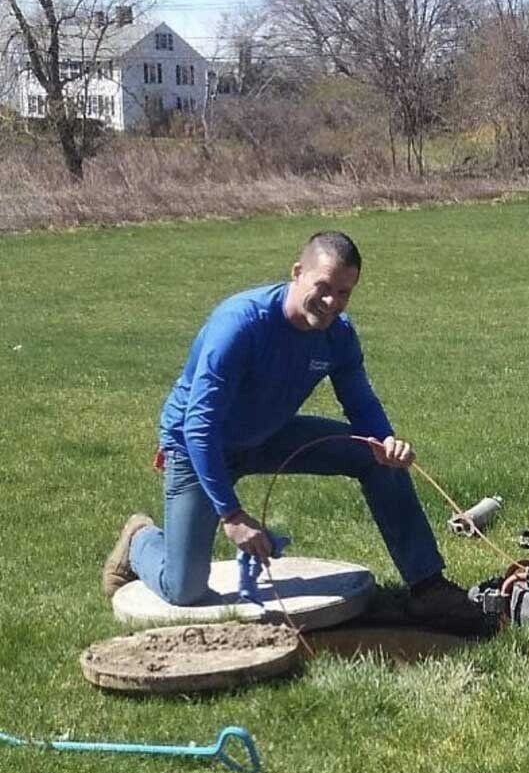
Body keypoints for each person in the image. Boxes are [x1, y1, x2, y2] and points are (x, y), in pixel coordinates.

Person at [102, 230, 483, 633]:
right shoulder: (240, 324)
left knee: (376, 459)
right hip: (197, 447)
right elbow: (200, 425)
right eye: (324, 287)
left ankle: (428, 586)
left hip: (268, 435)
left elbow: (360, 401)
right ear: (297, 272)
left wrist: (385, 441)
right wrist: (231, 514)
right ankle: (140, 540)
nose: (333, 302)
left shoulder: (338, 335)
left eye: (344, 292)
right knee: (184, 589)